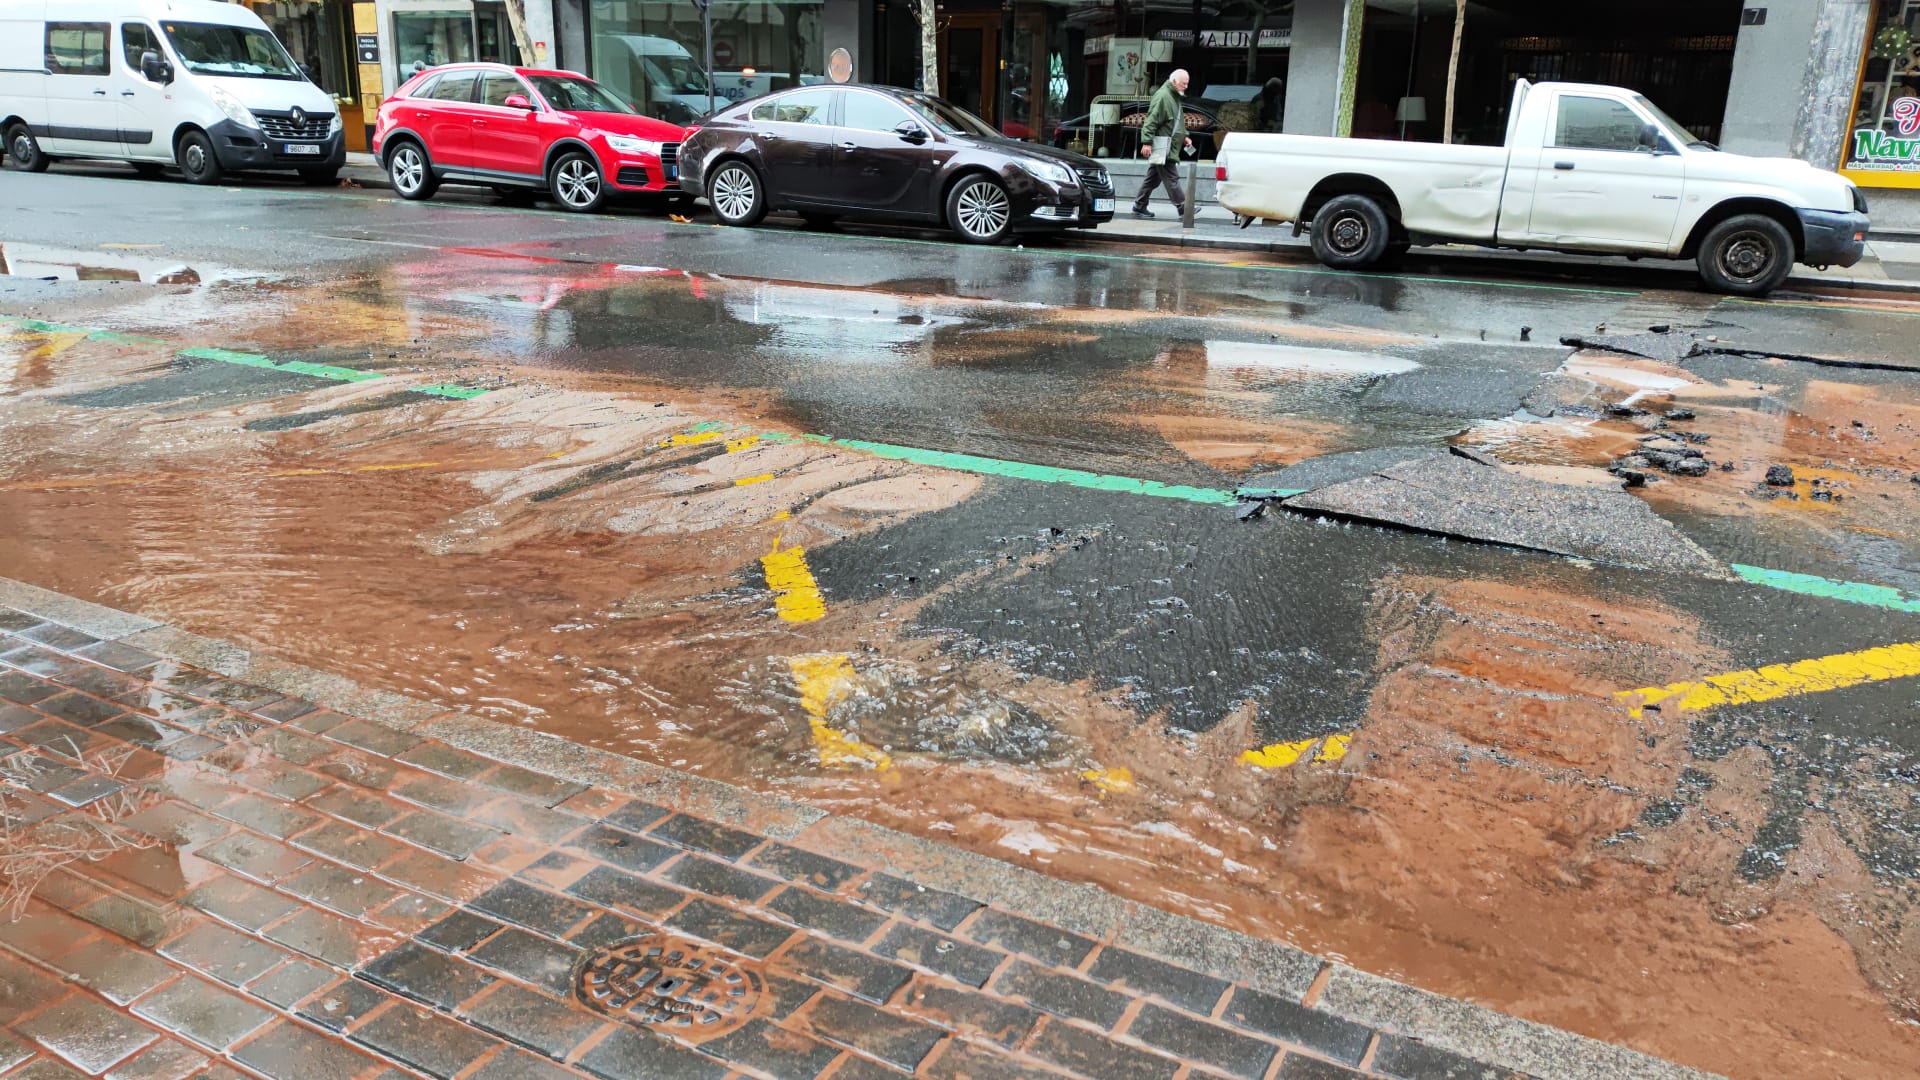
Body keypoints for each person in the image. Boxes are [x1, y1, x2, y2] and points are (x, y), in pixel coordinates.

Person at [1131, 69, 1195, 219]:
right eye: (1183, 83)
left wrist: (1185, 136)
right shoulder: (1163, 97)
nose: (1186, 86)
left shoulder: (1173, 96)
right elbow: (1151, 120)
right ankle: (1183, 207)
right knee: (1171, 177)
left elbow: (1177, 121)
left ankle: (1139, 206)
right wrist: (1146, 142)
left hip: (1166, 144)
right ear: (1174, 82)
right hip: (1162, 145)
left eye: (1187, 83)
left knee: (1152, 179)